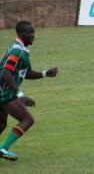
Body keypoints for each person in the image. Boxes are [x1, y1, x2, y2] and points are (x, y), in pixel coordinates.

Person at [0, 20, 58, 161]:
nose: (33, 35)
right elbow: (6, 73)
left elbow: (26, 72)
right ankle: (3, 149)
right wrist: (19, 95)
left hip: (4, 90)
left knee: (1, 124)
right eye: (29, 32)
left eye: (33, 32)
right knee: (27, 119)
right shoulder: (17, 50)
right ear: (20, 34)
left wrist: (45, 73)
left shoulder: (22, 49)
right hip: (5, 92)